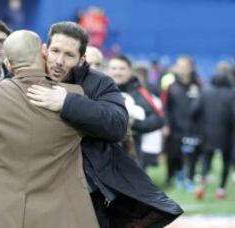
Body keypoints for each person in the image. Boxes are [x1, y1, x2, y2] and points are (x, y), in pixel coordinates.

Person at [27, 21, 183, 227]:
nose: (59, 61)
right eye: (55, 51)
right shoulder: (26, 78)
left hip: (88, 191)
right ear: (44, 50)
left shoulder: (100, 82)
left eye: (69, 55)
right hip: (37, 188)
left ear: (82, 59)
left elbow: (118, 125)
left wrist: (68, 103)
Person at [0, 30, 99, 228]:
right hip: (62, 216)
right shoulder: (75, 96)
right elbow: (114, 130)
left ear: (8, 64)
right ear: (43, 53)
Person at [107, 56, 164, 168]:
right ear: (108, 70)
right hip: (100, 153)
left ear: (130, 71)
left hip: (131, 154)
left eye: (122, 68)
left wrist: (134, 124)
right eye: (114, 68)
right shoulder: (98, 89)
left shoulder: (140, 91)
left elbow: (159, 119)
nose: (117, 72)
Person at [164, 56, 201, 190]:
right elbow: (166, 108)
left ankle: (190, 179)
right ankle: (176, 175)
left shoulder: (198, 85)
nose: (181, 69)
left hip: (193, 128)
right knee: (174, 154)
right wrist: (166, 124)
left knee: (193, 154)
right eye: (179, 66)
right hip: (175, 127)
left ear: (191, 68)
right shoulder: (171, 87)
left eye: (184, 66)